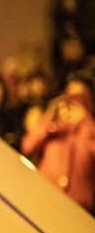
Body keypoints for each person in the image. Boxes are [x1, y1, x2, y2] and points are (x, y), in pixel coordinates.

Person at [21, 79, 95, 212]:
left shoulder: (89, 132)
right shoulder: (52, 129)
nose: (72, 105)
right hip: (44, 198)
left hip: (77, 208)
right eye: (69, 98)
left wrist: (86, 123)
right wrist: (50, 118)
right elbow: (28, 145)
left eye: (79, 99)